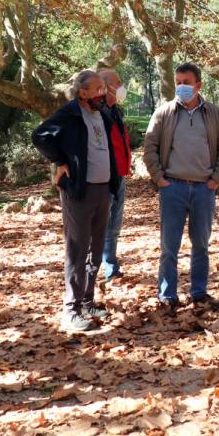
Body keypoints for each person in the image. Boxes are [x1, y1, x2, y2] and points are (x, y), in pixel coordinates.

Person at [142, 62, 219, 310]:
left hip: (204, 189)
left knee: (201, 245)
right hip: (173, 188)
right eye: (178, 83)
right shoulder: (163, 113)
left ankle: (199, 292)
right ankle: (167, 295)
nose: (182, 87)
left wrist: (216, 180)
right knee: (169, 247)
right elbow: (149, 148)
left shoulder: (214, 114)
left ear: (198, 85)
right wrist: (160, 179)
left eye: (186, 83)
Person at [32, 70, 114, 332]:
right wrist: (61, 161)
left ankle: (87, 301)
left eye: (104, 88)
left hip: (104, 189)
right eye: (98, 89)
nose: (103, 93)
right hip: (80, 191)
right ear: (83, 93)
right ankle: (71, 311)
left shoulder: (102, 113)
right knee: (77, 250)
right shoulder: (70, 113)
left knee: (96, 248)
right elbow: (40, 136)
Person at [97, 69, 133, 281]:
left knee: (114, 226)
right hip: (103, 178)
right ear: (105, 86)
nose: (121, 86)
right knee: (101, 226)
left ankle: (111, 267)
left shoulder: (115, 110)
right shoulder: (96, 112)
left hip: (119, 175)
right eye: (118, 82)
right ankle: (94, 269)